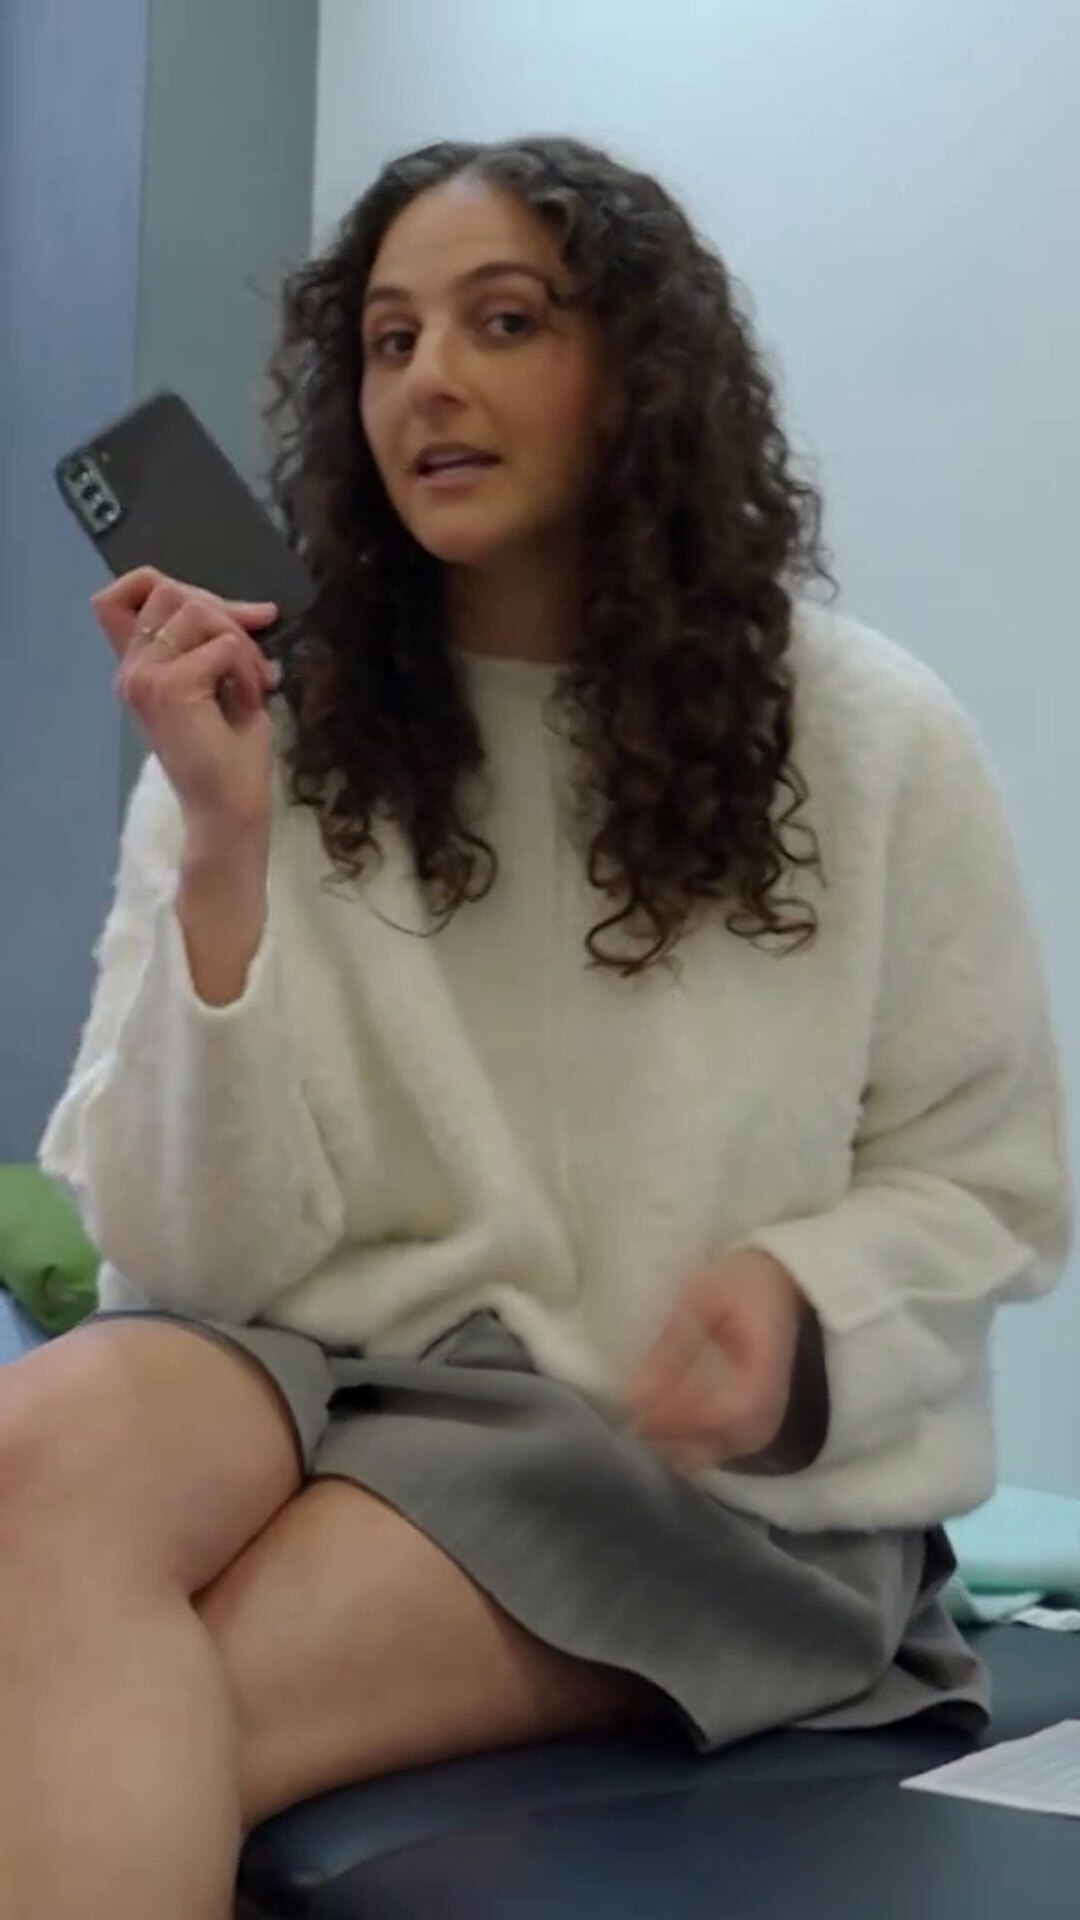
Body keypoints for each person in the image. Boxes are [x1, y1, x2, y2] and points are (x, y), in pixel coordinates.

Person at [2, 135, 1068, 1919]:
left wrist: (805, 1307)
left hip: (654, 1466)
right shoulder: (269, 729)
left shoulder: (870, 737)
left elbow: (991, 1180)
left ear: (640, 373)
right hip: (302, 1365)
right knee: (40, 1456)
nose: (432, 380)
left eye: (505, 322)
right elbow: (183, 1256)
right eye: (392, 339)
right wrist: (227, 846)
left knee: (109, 1701)